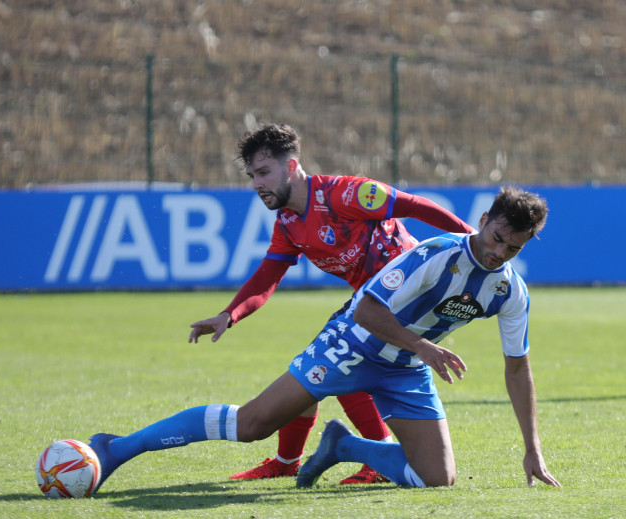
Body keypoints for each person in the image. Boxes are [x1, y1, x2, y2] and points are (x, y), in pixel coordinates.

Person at [88, 186, 560, 491]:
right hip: (353, 345)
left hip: (405, 367)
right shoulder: (435, 254)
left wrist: (532, 447)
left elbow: (518, 369)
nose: (499, 252)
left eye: (512, 248)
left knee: (436, 478)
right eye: (497, 237)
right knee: (253, 424)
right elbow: (368, 308)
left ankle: (342, 446)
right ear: (482, 219)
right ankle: (116, 448)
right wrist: (422, 346)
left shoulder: (509, 291)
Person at [187, 123, 475, 484]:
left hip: (408, 296)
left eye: (263, 172)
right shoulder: (289, 223)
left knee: (336, 365)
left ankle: (373, 458)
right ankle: (287, 461)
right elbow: (266, 277)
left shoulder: (346, 194)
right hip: (374, 302)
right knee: (310, 369)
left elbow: (416, 206)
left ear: (291, 167)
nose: (256, 183)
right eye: (252, 175)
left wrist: (472, 242)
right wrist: (229, 315)